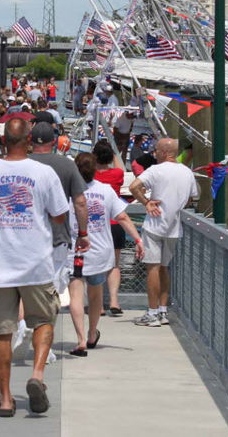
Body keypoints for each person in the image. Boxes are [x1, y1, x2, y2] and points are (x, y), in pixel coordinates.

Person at [0, 119, 69, 417]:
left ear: (3, 141)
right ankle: (37, 375)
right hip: (37, 264)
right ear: (29, 141)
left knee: (2, 332)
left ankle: (6, 399)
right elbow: (60, 216)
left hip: (1, 267)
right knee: (44, 320)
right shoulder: (44, 173)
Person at [67, 153, 143, 356]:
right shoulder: (106, 191)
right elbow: (123, 217)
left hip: (74, 251)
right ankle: (92, 333)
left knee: (75, 296)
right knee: (95, 295)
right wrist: (138, 240)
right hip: (100, 252)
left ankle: (81, 339)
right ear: (95, 170)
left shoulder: (66, 192)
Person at [27, 122, 89, 356]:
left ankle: (23, 329)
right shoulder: (66, 165)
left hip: (25, 236)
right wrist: (83, 234)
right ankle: (45, 345)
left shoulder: (23, 164)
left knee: (25, 288)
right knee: (50, 291)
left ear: (31, 141)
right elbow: (80, 202)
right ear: (54, 142)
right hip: (57, 237)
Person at [128, 138, 198, 327]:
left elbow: (133, 187)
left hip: (155, 224)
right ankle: (162, 310)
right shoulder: (186, 172)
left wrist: (146, 202)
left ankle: (152, 312)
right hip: (174, 227)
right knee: (165, 268)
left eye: (156, 150)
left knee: (152, 267)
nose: (154, 153)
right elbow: (193, 197)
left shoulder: (156, 170)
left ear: (164, 151)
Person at [92, 140, 126, 316]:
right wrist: (114, 153)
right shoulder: (117, 174)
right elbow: (121, 167)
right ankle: (114, 300)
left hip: (96, 226)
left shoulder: (90, 176)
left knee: (96, 265)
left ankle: (99, 306)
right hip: (115, 224)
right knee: (114, 265)